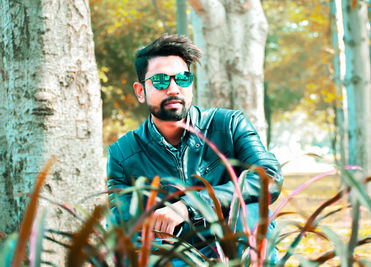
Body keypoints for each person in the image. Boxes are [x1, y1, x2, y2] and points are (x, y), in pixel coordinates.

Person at [107, 34, 283, 265]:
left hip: (236, 243)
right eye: (160, 80)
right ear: (140, 91)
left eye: (182, 78)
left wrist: (190, 206)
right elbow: (122, 219)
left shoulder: (229, 125)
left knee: (253, 212)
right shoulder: (123, 152)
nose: (173, 89)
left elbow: (268, 177)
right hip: (173, 252)